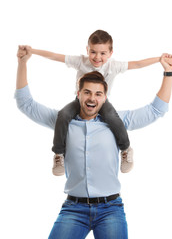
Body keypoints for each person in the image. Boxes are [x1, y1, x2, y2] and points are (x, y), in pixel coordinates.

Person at [15, 46, 172, 239]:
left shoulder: (118, 122)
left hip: (111, 210)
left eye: (98, 94)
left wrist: (169, 73)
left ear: (105, 98)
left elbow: (155, 110)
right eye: (87, 92)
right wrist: (22, 63)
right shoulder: (62, 121)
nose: (92, 98)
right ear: (78, 94)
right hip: (73, 209)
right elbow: (26, 103)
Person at [18, 30, 163, 176]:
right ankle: (59, 154)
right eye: (93, 52)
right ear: (87, 50)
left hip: (103, 102)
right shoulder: (81, 61)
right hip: (80, 101)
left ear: (110, 53)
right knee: (63, 115)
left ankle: (125, 149)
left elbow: (137, 64)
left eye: (103, 53)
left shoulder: (114, 66)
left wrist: (159, 59)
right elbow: (56, 56)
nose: (97, 57)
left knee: (112, 117)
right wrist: (32, 51)